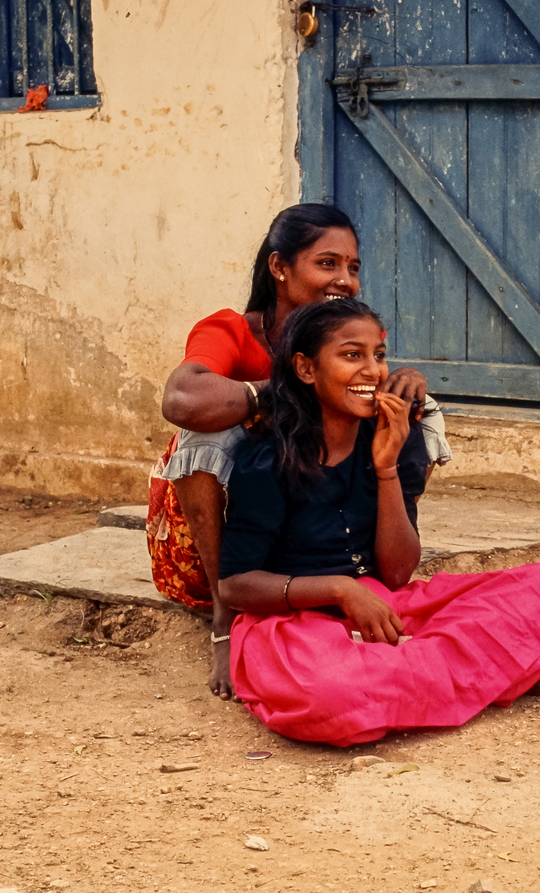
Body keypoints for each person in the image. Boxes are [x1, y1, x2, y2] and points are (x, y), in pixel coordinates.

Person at [218, 298, 540, 747]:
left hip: (386, 607)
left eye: (378, 356)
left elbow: (397, 573)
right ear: (305, 369)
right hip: (296, 626)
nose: (373, 371)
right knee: (329, 693)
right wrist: (339, 589)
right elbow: (235, 585)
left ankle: (426, 676)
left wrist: (387, 467)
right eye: (351, 355)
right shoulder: (266, 460)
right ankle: (495, 672)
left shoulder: (391, 436)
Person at [148, 205, 447, 698]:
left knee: (417, 407)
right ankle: (227, 614)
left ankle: (368, 556)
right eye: (327, 263)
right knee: (203, 434)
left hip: (309, 519)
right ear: (279, 267)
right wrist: (282, 390)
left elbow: (360, 379)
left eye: (352, 267)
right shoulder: (233, 331)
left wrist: (402, 379)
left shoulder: (341, 325)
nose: (344, 280)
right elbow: (181, 400)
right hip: (222, 546)